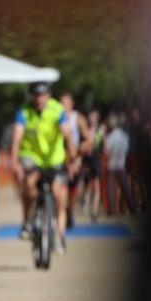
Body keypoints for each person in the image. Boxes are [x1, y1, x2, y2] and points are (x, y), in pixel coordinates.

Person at [9, 82, 78, 252]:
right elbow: (17, 137)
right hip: (31, 155)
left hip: (54, 157)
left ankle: (60, 235)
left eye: (43, 95)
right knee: (30, 185)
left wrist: (73, 159)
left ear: (49, 96)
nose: (39, 99)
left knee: (59, 195)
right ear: (32, 96)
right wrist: (14, 162)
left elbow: (67, 134)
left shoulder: (57, 109)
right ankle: (27, 224)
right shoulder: (24, 111)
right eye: (36, 96)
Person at [59, 91, 89, 229]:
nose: (64, 106)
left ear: (72, 104)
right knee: (59, 188)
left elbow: (88, 139)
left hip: (74, 157)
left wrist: (81, 151)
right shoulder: (56, 117)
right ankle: (61, 212)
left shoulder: (78, 118)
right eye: (61, 103)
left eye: (66, 103)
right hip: (59, 157)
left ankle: (69, 211)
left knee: (72, 190)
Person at [104, 112, 137, 214]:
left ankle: (112, 209)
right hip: (121, 164)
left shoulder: (109, 137)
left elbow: (107, 152)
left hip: (111, 164)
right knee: (125, 187)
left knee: (111, 188)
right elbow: (127, 150)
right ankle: (132, 207)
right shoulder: (125, 136)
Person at [81, 108, 105, 221]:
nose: (92, 119)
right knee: (87, 184)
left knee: (96, 186)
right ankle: (85, 204)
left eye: (94, 117)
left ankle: (94, 210)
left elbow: (103, 145)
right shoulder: (85, 130)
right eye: (91, 117)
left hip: (95, 160)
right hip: (86, 160)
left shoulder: (100, 130)